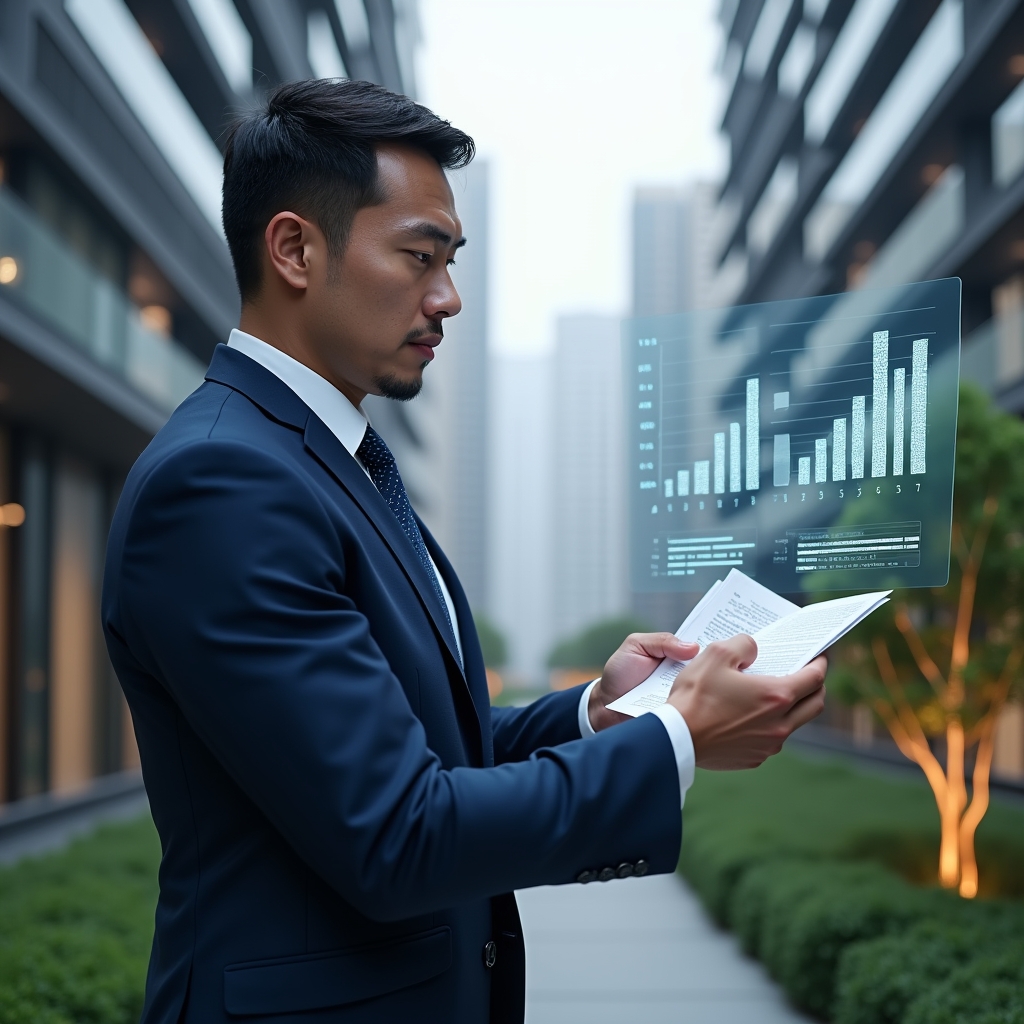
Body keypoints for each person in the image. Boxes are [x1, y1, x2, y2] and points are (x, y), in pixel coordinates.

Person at [102, 79, 826, 1024]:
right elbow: (398, 832)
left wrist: (606, 712)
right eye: (418, 257)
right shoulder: (223, 487)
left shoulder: (326, 458)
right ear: (293, 248)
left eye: (452, 261)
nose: (446, 298)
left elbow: (426, 750)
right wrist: (679, 738)